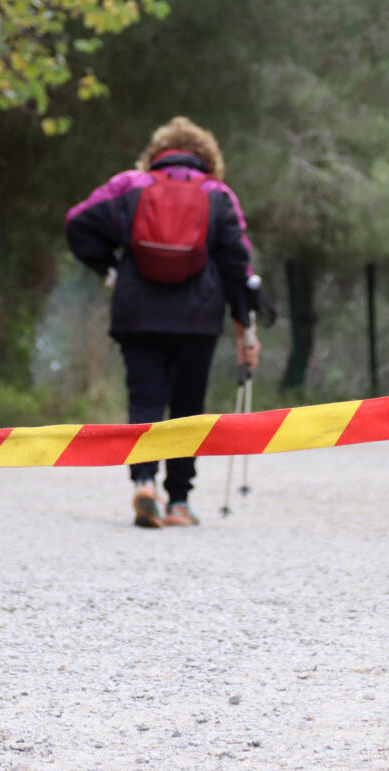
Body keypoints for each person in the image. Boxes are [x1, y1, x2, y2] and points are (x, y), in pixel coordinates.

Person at [65, 116, 260, 528]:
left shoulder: (129, 186)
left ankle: (144, 482)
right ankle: (179, 502)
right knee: (188, 408)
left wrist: (112, 267)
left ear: (156, 153)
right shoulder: (218, 194)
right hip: (198, 316)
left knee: (145, 400)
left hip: (138, 311)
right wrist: (246, 329)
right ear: (208, 157)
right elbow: (237, 265)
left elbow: (78, 223)